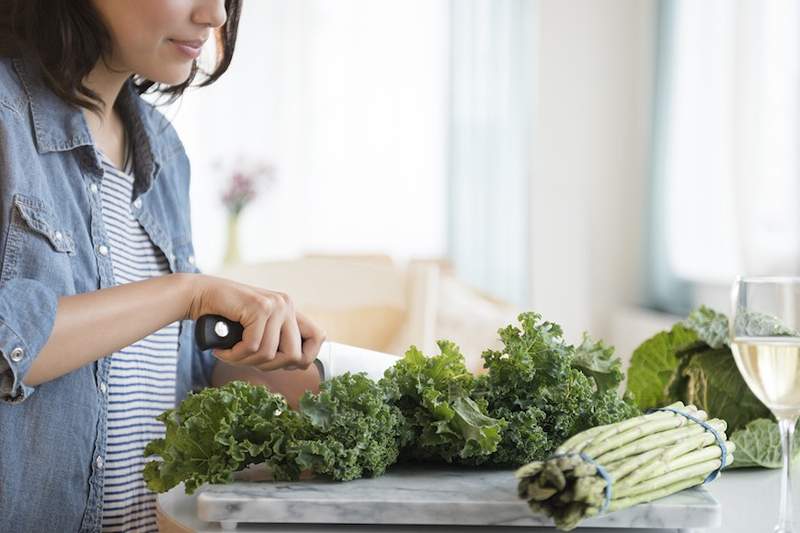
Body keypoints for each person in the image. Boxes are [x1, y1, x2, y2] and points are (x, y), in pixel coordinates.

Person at [0, 1, 327, 531]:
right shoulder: (7, 119)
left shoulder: (166, 154)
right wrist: (184, 293)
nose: (216, 15)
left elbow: (178, 374)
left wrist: (292, 369)